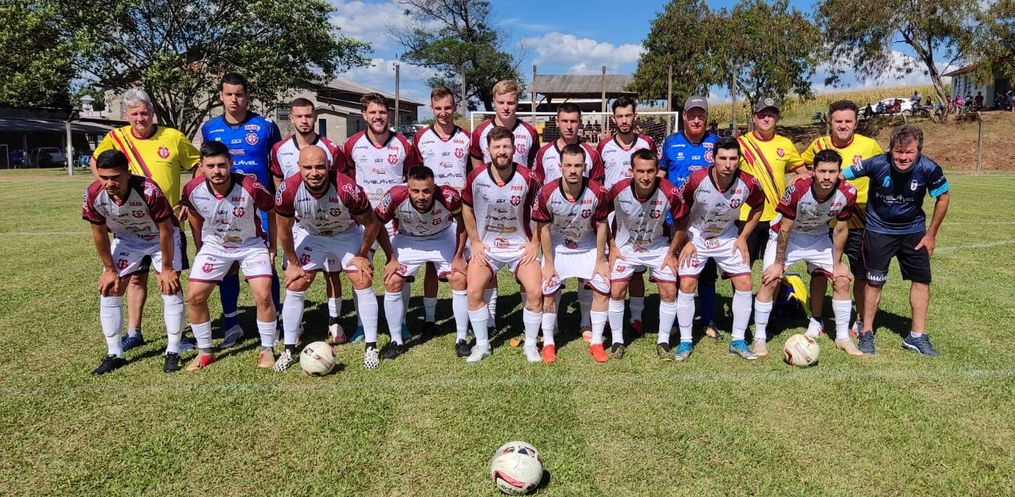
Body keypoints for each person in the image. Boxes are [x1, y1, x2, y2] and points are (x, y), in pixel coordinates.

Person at [91, 88, 200, 352]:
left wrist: (188, 199)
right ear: (126, 116)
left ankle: (176, 338)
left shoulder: (173, 137)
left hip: (166, 223)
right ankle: (134, 332)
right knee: (135, 279)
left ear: (152, 112)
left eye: (144, 112)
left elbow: (197, 165)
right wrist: (108, 189)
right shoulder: (116, 138)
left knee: (169, 279)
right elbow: (97, 162)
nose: (140, 118)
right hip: (131, 225)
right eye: (135, 114)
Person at [273, 146, 386, 371]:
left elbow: (372, 224)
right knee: (296, 283)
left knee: (362, 278)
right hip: (312, 235)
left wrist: (361, 256)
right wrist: (294, 263)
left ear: (329, 166)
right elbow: (283, 230)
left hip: (345, 234)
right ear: (298, 167)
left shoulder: (347, 188)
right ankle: (288, 350)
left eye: (319, 167)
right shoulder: (288, 190)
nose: (314, 173)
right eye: (308, 167)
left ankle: (371, 347)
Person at [843, 125, 950, 356]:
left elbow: (943, 197)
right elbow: (841, 175)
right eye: (898, 151)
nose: (903, 157)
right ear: (890, 150)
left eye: (909, 152)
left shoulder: (929, 168)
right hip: (878, 231)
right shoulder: (876, 163)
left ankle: (917, 336)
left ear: (919, 151)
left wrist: (931, 234)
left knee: (921, 281)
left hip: (914, 232)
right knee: (874, 282)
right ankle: (867, 332)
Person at [82, 150, 185, 375]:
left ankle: (173, 350)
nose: (109, 183)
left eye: (115, 177)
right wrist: (109, 269)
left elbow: (166, 229)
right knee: (110, 288)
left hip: (160, 238)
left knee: (169, 286)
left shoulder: (148, 190)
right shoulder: (93, 194)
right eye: (104, 177)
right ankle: (114, 353)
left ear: (128, 174)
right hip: (127, 240)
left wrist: (167, 268)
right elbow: (98, 232)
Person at [752, 150, 863, 357]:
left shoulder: (848, 192)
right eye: (822, 171)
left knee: (841, 279)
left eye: (832, 171)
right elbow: (784, 228)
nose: (827, 176)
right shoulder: (798, 188)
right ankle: (759, 337)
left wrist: (838, 262)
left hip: (818, 237)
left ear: (839, 172)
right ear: (813, 172)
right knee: (770, 280)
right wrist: (778, 263)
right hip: (787, 236)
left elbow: (840, 229)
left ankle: (842, 338)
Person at [200, 72, 283, 349]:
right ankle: (231, 324)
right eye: (228, 94)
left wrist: (278, 199)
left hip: (259, 208)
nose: (234, 99)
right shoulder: (210, 128)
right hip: (224, 208)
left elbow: (276, 167)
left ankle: (275, 321)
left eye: (239, 94)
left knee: (267, 264)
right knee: (228, 265)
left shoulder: (265, 126)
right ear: (221, 96)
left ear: (247, 96)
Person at [181, 141, 278, 371]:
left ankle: (267, 348)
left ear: (231, 164)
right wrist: (200, 246)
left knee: (263, 295)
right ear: (201, 167)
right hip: (215, 245)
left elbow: (272, 210)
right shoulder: (192, 189)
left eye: (222, 165)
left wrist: (272, 246)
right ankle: (205, 351)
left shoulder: (250, 186)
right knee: (194, 296)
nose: (217, 171)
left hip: (250, 244)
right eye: (211, 166)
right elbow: (193, 213)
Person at [672, 137, 765, 361]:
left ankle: (738, 340)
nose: (728, 164)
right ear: (713, 159)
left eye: (733, 158)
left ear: (739, 160)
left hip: (727, 237)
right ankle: (685, 342)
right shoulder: (696, 179)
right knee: (687, 283)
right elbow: (679, 208)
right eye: (722, 158)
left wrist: (743, 237)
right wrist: (685, 241)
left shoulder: (748, 182)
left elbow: (759, 206)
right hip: (696, 236)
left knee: (745, 282)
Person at [800, 100, 884, 337]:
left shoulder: (869, 146)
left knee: (861, 273)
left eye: (848, 121)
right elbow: (803, 167)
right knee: (819, 271)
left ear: (856, 123)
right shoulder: (819, 145)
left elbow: (882, 170)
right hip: (824, 220)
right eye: (838, 121)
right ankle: (817, 319)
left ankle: (859, 319)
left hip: (860, 218)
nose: (843, 125)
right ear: (830, 122)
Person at [269, 97, 349, 343]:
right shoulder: (279, 149)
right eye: (299, 116)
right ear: (291, 118)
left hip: (328, 220)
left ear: (315, 117)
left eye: (308, 116)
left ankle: (334, 321)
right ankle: (297, 324)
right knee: (295, 273)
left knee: (332, 273)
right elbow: (278, 181)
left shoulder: (331, 148)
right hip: (297, 223)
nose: (304, 121)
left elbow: (341, 182)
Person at [460, 126, 543, 363]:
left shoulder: (528, 177)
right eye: (496, 147)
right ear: (488, 150)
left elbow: (541, 210)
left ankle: (530, 345)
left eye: (506, 146)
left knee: (535, 292)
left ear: (514, 149)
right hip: (488, 247)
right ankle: (482, 345)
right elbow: (466, 207)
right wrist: (475, 241)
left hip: (519, 247)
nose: (502, 151)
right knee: (473, 292)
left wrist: (534, 242)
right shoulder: (476, 177)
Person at [343, 92, 420, 343]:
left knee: (399, 269)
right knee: (361, 268)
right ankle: (361, 324)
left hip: (395, 220)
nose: (378, 116)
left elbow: (411, 180)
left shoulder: (404, 145)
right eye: (373, 112)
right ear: (364, 115)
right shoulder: (352, 144)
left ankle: (401, 321)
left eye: (383, 112)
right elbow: (347, 181)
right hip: (363, 220)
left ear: (390, 115)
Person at [468, 80, 540, 331]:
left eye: (511, 102)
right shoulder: (480, 132)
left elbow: (533, 167)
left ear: (517, 103)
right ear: (494, 102)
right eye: (501, 102)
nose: (506, 107)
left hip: (520, 207)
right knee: (487, 265)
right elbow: (477, 170)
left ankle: (528, 319)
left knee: (526, 262)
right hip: (489, 209)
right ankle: (489, 320)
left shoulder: (529, 132)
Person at [376, 166, 468, 360]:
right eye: (415, 191)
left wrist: (459, 256)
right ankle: (396, 340)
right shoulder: (394, 195)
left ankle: (461, 338)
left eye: (426, 191)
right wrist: (391, 258)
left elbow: (464, 221)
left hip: (441, 236)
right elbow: (377, 224)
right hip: (408, 238)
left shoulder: (449, 196)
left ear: (434, 188)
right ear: (407, 187)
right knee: (393, 280)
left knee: (459, 278)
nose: (421, 196)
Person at [532, 102, 605, 341]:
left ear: (580, 123)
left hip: (583, 226)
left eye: (574, 121)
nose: (569, 126)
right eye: (565, 121)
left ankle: (585, 323)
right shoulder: (544, 153)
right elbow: (538, 189)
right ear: (557, 122)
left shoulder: (591, 153)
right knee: (552, 276)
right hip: (553, 228)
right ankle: (551, 326)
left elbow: (596, 190)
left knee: (587, 277)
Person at [605, 149, 684, 361]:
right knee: (617, 290)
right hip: (626, 247)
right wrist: (612, 246)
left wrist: (672, 252)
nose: (646, 176)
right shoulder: (618, 189)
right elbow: (600, 216)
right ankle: (617, 341)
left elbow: (683, 221)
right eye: (640, 171)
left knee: (669, 291)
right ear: (631, 171)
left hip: (658, 247)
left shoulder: (670, 191)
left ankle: (663, 341)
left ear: (657, 170)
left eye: (650, 171)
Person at [659, 95, 723, 340]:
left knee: (706, 273)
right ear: (684, 116)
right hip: (676, 218)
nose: (696, 120)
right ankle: (676, 321)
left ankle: (707, 321)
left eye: (701, 115)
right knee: (677, 270)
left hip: (706, 220)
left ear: (706, 117)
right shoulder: (670, 142)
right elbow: (661, 175)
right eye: (692, 115)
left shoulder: (715, 143)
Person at [413, 86, 471, 337]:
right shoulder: (421, 137)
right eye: (438, 108)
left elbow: (473, 171)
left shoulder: (466, 137)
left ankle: (466, 317)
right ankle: (429, 318)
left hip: (459, 210)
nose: (443, 113)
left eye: (447, 107)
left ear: (455, 107)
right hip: (430, 209)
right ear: (431, 108)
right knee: (430, 265)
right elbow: (415, 174)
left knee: (464, 264)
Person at [596, 96, 656, 337]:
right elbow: (598, 180)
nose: (624, 120)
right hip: (613, 216)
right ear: (613, 119)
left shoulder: (646, 142)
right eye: (619, 116)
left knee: (637, 270)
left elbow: (654, 174)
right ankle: (610, 316)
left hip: (640, 215)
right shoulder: (604, 145)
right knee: (613, 265)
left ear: (635, 117)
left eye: (628, 115)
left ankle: (636, 317)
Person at [736, 97, 805, 265]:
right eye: (762, 115)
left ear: (776, 119)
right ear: (754, 118)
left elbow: (804, 173)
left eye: (771, 115)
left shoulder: (785, 144)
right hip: (746, 214)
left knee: (775, 266)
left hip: (776, 216)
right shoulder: (740, 143)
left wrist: (797, 179)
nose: (766, 119)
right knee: (742, 266)